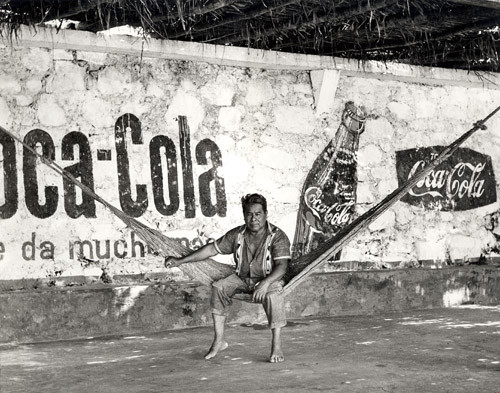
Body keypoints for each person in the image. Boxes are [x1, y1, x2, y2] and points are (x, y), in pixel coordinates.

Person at [165, 193, 291, 363]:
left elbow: (282, 267)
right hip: (242, 279)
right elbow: (211, 250)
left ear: (266, 214)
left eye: (258, 214)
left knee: (273, 296)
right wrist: (180, 260)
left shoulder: (278, 236)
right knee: (219, 287)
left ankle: (276, 345)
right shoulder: (238, 234)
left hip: (270, 279)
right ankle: (219, 341)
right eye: (249, 214)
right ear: (244, 215)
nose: (253, 219)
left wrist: (265, 283)